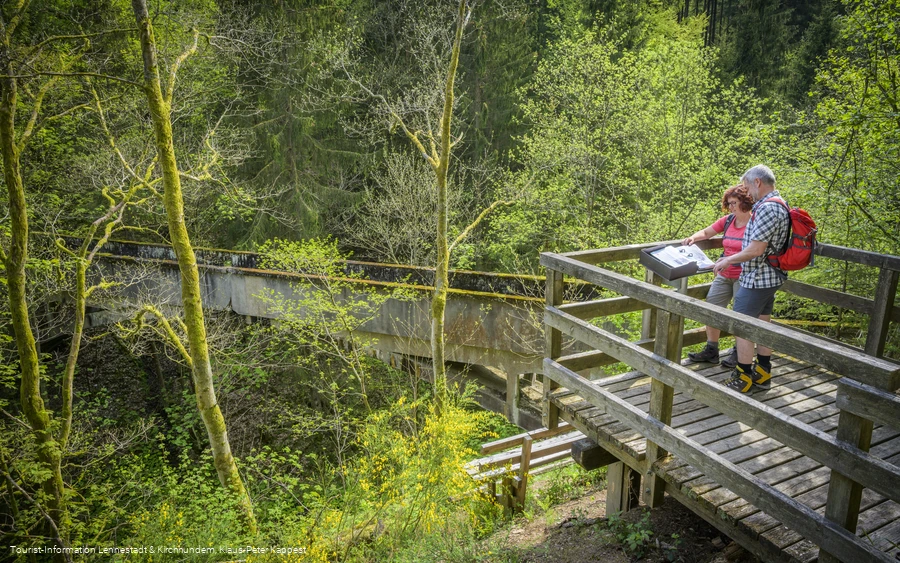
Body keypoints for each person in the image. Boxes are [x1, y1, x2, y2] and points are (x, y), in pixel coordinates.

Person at [712, 164, 790, 394]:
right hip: (769, 277)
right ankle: (763, 372)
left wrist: (728, 260)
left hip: (757, 278)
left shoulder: (767, 208)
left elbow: (756, 249)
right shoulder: (780, 204)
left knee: (742, 326)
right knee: (763, 323)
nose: (746, 192)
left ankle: (743, 376)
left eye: (747, 186)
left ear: (757, 182)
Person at [682, 185, 754, 368]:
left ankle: (739, 353)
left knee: (741, 317)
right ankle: (712, 350)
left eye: (734, 203)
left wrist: (730, 259)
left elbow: (755, 250)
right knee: (711, 309)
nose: (731, 207)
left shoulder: (755, 223)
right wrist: (693, 238)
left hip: (744, 276)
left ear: (745, 202)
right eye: (729, 204)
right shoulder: (728, 221)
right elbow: (707, 232)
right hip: (724, 273)